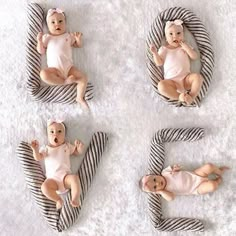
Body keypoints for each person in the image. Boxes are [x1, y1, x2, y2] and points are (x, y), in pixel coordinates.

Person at [36, 8, 89, 109]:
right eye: (53, 22)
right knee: (43, 74)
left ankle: (79, 97)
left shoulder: (68, 36)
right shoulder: (47, 37)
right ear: (48, 26)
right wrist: (39, 41)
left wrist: (78, 40)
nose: (57, 24)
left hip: (69, 68)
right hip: (54, 70)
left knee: (84, 78)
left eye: (60, 21)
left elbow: (78, 46)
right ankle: (64, 82)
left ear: (65, 23)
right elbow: (41, 51)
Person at [30, 119, 84, 210]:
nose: (56, 134)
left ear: (64, 134)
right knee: (44, 187)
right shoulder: (46, 149)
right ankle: (58, 200)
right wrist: (35, 150)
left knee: (75, 178)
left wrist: (79, 148)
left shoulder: (66, 146)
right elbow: (38, 157)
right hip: (52, 181)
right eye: (52, 132)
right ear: (48, 136)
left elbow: (76, 152)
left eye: (59, 131)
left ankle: (75, 197)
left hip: (65, 178)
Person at [150, 19, 203, 105]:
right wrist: (155, 53)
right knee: (161, 86)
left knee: (198, 77)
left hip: (186, 79)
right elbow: (159, 63)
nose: (175, 36)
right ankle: (179, 97)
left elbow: (194, 57)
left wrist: (187, 48)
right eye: (171, 34)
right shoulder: (164, 49)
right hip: (172, 82)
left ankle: (191, 97)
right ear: (166, 38)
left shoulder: (184, 46)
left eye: (179, 33)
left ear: (183, 35)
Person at [139, 163, 229, 201]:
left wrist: (175, 168)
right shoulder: (165, 191)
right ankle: (218, 181)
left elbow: (174, 167)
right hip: (195, 188)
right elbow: (171, 198)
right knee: (212, 186)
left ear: (155, 175)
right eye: (155, 187)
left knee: (209, 166)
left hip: (196, 175)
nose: (158, 183)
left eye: (154, 180)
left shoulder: (164, 172)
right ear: (156, 191)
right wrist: (161, 191)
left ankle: (219, 171)